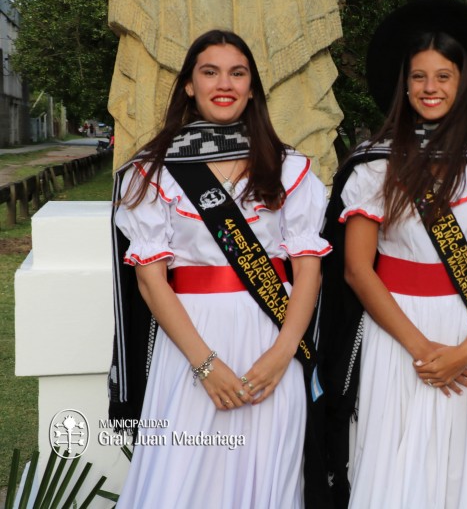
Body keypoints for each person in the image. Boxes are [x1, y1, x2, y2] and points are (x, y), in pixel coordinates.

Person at [320, 0, 467, 508]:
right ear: (404, 84)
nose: (430, 88)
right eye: (419, 76)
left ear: (464, 82)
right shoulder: (374, 165)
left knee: (457, 466)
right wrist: (421, 348)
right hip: (393, 334)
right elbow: (356, 269)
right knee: (388, 462)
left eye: (443, 75)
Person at [108, 29, 330, 508]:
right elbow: (151, 281)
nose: (223, 83)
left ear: (252, 87)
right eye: (209, 72)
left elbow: (307, 269)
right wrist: (205, 366)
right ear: (189, 85)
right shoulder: (153, 170)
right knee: (181, 482)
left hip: (272, 343)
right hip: (189, 348)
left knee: (269, 481)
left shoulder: (289, 168)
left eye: (237, 72)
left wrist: (284, 352)